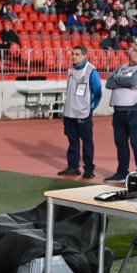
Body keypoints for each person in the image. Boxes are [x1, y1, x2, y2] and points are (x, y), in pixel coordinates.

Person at [104, 41, 137, 183]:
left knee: (136, 142)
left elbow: (133, 81)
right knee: (120, 143)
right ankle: (121, 173)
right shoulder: (122, 67)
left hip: (135, 111)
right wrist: (126, 81)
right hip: (118, 111)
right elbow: (109, 83)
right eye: (135, 50)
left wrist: (118, 79)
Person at [58, 46, 102, 178]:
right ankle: (73, 167)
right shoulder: (70, 69)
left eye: (77, 54)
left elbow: (98, 92)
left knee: (87, 141)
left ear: (84, 56)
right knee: (72, 141)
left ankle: (89, 170)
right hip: (69, 113)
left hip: (84, 113)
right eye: (73, 54)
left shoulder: (91, 71)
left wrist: (91, 107)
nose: (73, 56)